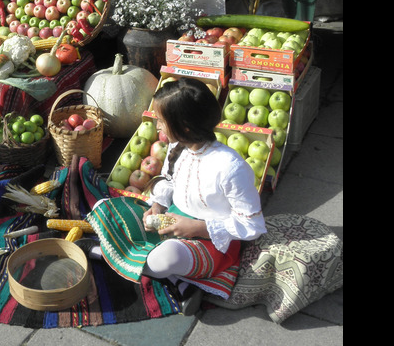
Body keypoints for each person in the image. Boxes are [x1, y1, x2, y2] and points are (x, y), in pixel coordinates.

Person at [86, 77, 267, 315]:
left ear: (185, 126)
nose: (157, 126)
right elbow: (169, 180)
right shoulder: (178, 146)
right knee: (103, 206)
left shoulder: (231, 167)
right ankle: (180, 282)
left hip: (212, 242)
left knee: (166, 259)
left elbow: (252, 225)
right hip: (174, 220)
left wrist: (196, 227)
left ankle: (106, 255)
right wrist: (159, 205)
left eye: (161, 121)